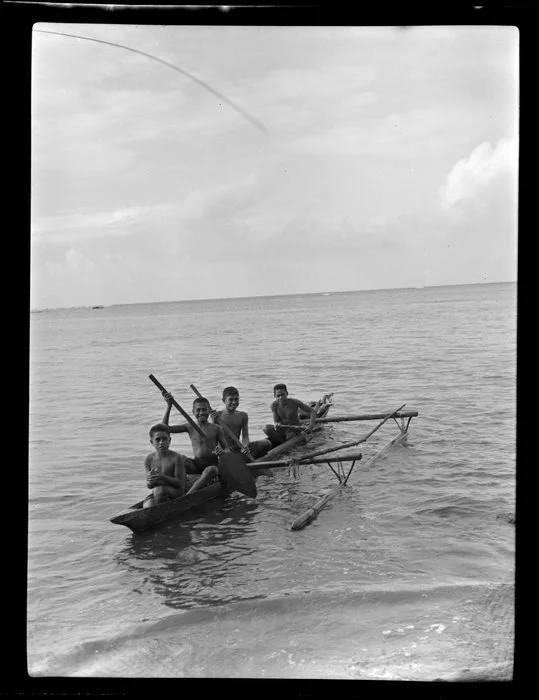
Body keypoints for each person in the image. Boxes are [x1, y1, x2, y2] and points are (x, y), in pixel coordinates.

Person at [161, 392, 228, 490]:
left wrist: (222, 452)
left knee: (210, 470)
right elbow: (164, 429)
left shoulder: (216, 428)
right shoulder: (190, 426)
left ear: (209, 411)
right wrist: (169, 406)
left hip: (212, 465)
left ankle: (189, 494)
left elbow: (227, 449)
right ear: (193, 411)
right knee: (180, 459)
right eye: (198, 410)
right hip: (196, 464)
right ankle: (169, 486)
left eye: (204, 410)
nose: (201, 413)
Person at [210, 386, 272, 460]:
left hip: (237, 448)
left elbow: (245, 436)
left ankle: (248, 457)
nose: (234, 402)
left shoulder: (243, 415)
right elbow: (213, 437)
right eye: (231, 399)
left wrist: (245, 446)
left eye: (236, 399)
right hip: (223, 450)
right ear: (224, 401)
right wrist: (213, 421)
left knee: (266, 443)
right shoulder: (218, 416)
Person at [143, 423, 189, 508]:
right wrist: (150, 480)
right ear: (151, 442)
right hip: (157, 492)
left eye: (164, 439)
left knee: (159, 490)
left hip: (176, 492)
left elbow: (180, 484)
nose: (161, 443)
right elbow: (149, 486)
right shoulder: (149, 459)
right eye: (158, 440)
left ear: (169, 440)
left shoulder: (176, 458)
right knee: (146, 506)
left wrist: (161, 477)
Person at [262, 383, 317, 447]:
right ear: (274, 396)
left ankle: (284, 443)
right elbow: (276, 421)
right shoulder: (274, 405)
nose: (281, 397)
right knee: (266, 428)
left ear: (287, 393)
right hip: (283, 429)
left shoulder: (294, 402)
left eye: (283, 395)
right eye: (278, 396)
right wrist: (277, 424)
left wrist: (311, 426)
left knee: (290, 436)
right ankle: (283, 443)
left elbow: (312, 411)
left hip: (295, 429)